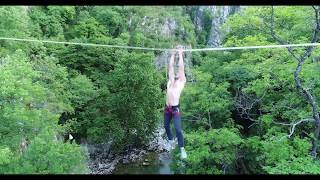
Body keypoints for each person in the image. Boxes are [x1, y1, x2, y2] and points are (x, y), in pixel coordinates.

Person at [164, 46, 187, 159]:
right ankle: (170, 140)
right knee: (166, 126)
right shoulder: (170, 80)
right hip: (167, 108)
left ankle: (182, 149)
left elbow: (181, 67)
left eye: (178, 73)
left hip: (175, 108)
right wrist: (173, 54)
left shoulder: (181, 81)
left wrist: (180, 54)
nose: (176, 73)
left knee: (178, 129)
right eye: (175, 73)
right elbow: (171, 67)